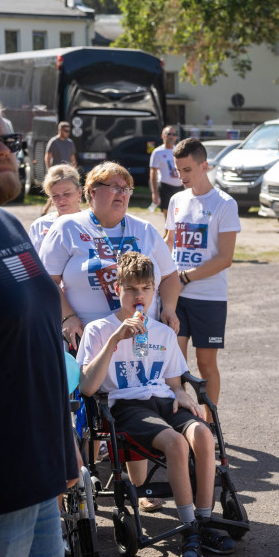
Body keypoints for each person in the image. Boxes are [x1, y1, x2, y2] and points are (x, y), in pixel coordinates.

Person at [0, 91, 80, 557]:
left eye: (8, 141)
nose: (3, 153)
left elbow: (41, 345)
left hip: (39, 471)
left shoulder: (10, 227)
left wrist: (64, 444)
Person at [77, 251, 235, 557]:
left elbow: (174, 382)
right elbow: (87, 387)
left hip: (163, 400)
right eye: (132, 289)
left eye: (147, 289)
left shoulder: (162, 332)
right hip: (126, 405)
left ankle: (203, 520)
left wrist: (183, 394)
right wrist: (115, 342)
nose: (140, 296)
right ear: (117, 289)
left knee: (203, 436)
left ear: (155, 290)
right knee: (175, 443)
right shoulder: (99, 330)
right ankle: (188, 527)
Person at [40, 160, 180, 512]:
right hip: (85, 337)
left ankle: (140, 486)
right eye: (113, 187)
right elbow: (45, 282)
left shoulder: (144, 229)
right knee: (84, 411)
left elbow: (171, 275)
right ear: (91, 192)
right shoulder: (67, 228)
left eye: (127, 188)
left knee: (136, 400)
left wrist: (169, 309)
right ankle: (79, 483)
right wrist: (68, 316)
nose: (121, 193)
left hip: (138, 336)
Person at [165, 137, 240, 423]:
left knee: (206, 364)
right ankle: (183, 420)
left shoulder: (225, 204)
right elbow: (168, 244)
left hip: (209, 298)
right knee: (176, 364)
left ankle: (209, 423)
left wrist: (185, 276)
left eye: (187, 170)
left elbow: (225, 258)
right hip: (176, 297)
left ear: (204, 166)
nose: (182, 176)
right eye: (178, 170)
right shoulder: (176, 200)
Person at [29, 164, 83, 251]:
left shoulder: (92, 223)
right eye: (55, 196)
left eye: (67, 194)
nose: (61, 200)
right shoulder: (40, 225)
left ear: (79, 192)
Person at [150, 126, 183, 213]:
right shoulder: (158, 152)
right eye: (168, 134)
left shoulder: (179, 150)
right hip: (166, 187)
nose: (171, 136)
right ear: (163, 136)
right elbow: (153, 172)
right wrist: (155, 193)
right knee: (168, 216)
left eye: (174, 134)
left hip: (180, 187)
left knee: (180, 214)